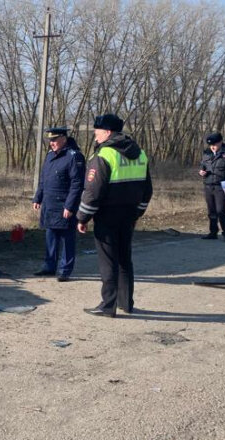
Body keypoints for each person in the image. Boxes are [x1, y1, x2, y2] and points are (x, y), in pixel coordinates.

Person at [76, 114, 152, 317]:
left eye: (97, 133)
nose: (95, 137)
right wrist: (138, 212)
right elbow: (147, 189)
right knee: (124, 259)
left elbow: (93, 191)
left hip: (108, 214)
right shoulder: (140, 153)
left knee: (108, 260)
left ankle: (107, 306)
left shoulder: (105, 154)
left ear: (107, 132)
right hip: (129, 214)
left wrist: (82, 217)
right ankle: (126, 303)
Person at [31, 127, 86, 282]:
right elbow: (44, 179)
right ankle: (49, 267)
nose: (51, 143)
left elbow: (77, 184)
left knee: (67, 239)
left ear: (64, 139)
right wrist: (37, 198)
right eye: (50, 140)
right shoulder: (50, 156)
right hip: (49, 204)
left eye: (54, 140)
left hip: (64, 205)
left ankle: (65, 270)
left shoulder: (74, 156)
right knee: (51, 236)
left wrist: (69, 206)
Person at [199, 132, 225, 241]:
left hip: (222, 186)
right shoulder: (207, 153)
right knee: (211, 211)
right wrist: (202, 172)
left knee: (220, 210)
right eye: (211, 145)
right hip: (208, 185)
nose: (212, 146)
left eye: (215, 144)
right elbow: (203, 166)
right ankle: (213, 232)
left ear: (221, 142)